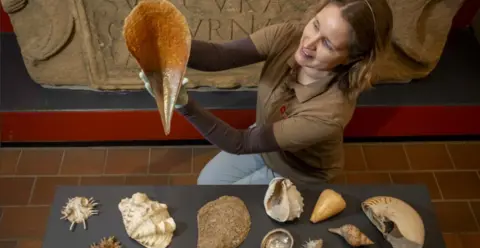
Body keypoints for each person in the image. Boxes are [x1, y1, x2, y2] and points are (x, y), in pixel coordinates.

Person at [140, 0, 393, 185]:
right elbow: (220, 56)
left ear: (351, 58)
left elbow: (240, 143)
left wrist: (184, 104)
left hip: (297, 171)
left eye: (327, 43)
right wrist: (168, 43)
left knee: (220, 198)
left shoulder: (329, 114)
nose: (309, 43)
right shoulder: (289, 35)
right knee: (206, 183)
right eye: (315, 25)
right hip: (264, 138)